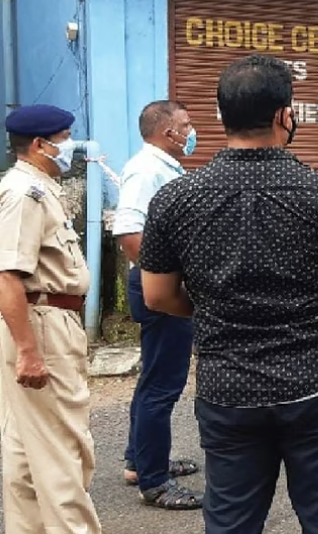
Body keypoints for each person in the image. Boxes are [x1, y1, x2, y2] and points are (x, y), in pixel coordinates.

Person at [138, 53, 318, 534]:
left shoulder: (175, 200)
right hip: (317, 381)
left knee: (230, 521)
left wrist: (212, 308)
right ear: (283, 116)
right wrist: (314, 308)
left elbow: (158, 297)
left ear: (220, 116)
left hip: (228, 389)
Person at [0, 104, 103, 534]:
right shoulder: (25, 195)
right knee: (63, 448)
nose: (70, 146)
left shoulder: (37, 187)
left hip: (39, 318)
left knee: (25, 449)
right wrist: (29, 350)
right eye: (65, 137)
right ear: (40, 145)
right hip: (42, 322)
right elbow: (6, 276)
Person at [113, 100, 203, 509]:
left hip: (160, 286)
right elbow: (129, 231)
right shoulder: (147, 169)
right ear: (167, 131)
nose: (191, 130)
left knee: (155, 377)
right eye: (185, 124)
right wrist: (162, 281)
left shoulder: (163, 166)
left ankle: (141, 460)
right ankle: (154, 480)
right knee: (163, 385)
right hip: (159, 290)